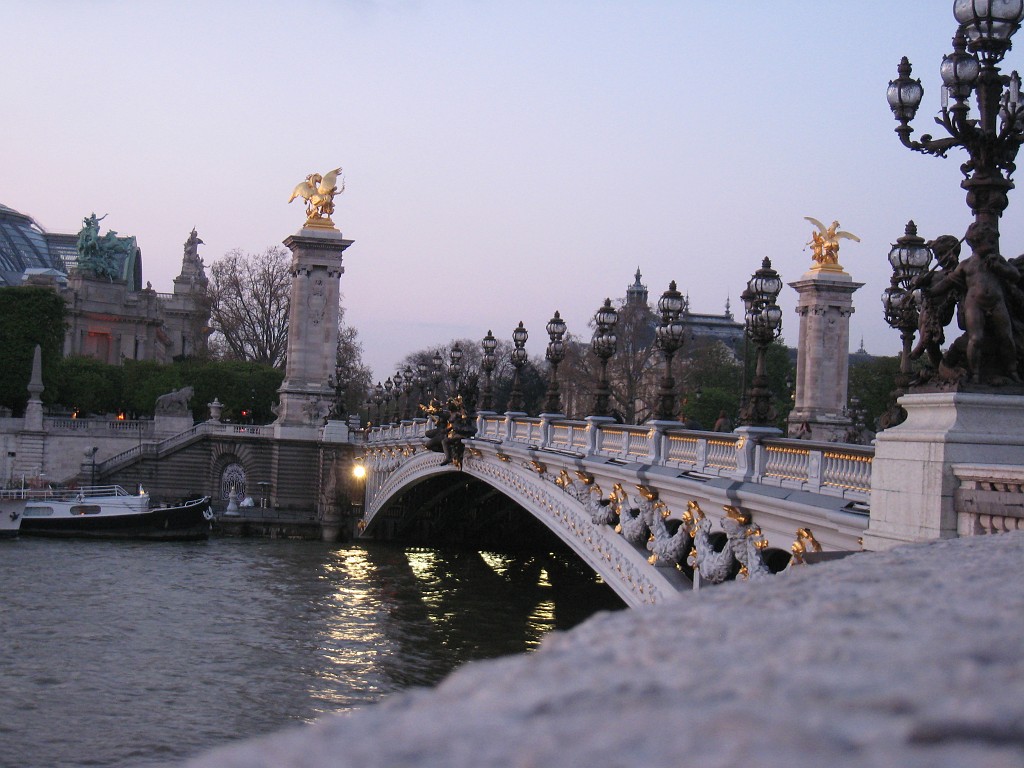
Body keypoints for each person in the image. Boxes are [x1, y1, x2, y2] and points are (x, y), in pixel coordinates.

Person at [926, 220, 1021, 384]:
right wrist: (928, 291)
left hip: (997, 303)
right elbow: (946, 283)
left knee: (1006, 337)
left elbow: (1015, 275)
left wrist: (1001, 268)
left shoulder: (997, 260)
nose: (991, 244)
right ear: (976, 242)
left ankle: (1012, 371)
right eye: (989, 241)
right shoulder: (966, 265)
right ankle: (976, 374)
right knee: (975, 338)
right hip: (974, 304)